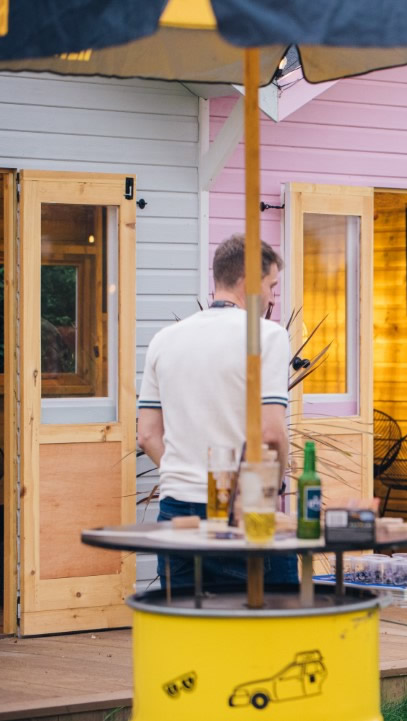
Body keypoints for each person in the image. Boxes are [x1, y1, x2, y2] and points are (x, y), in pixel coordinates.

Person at [137, 234, 295, 589]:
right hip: (245, 505)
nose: (272, 296)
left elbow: (147, 435)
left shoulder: (165, 339)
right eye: (271, 285)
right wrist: (275, 484)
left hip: (176, 508)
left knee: (185, 631)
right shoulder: (266, 336)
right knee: (274, 630)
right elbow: (270, 434)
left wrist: (184, 473)